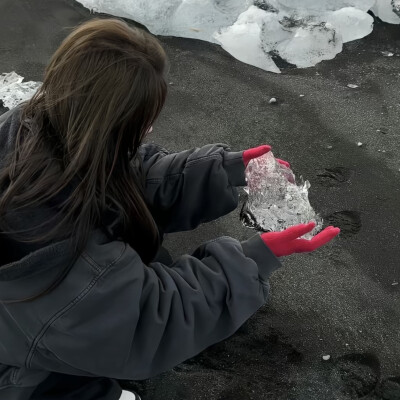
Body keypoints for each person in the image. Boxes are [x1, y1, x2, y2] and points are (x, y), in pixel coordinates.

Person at [0, 18, 339, 400]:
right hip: (23, 369)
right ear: (107, 123)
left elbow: (125, 174)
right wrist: (254, 259)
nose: (146, 132)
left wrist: (221, 171)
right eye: (139, 125)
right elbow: (148, 322)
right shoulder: (48, 257)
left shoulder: (39, 125)